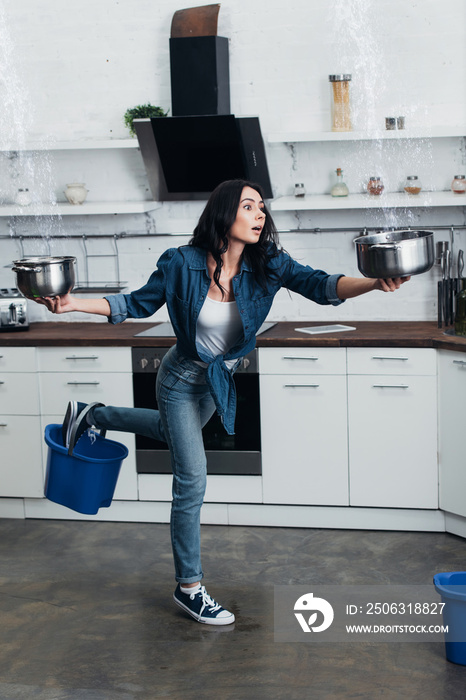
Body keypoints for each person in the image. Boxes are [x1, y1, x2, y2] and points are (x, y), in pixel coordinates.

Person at [35, 179, 409, 626]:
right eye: (249, 206)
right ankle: (188, 587)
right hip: (178, 378)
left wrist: (372, 283)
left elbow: (321, 285)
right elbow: (135, 303)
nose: (259, 214)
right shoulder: (181, 263)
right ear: (224, 213)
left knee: (169, 433)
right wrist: (72, 303)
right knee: (192, 479)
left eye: (262, 208)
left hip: (218, 381)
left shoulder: (269, 263)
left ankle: (94, 414)